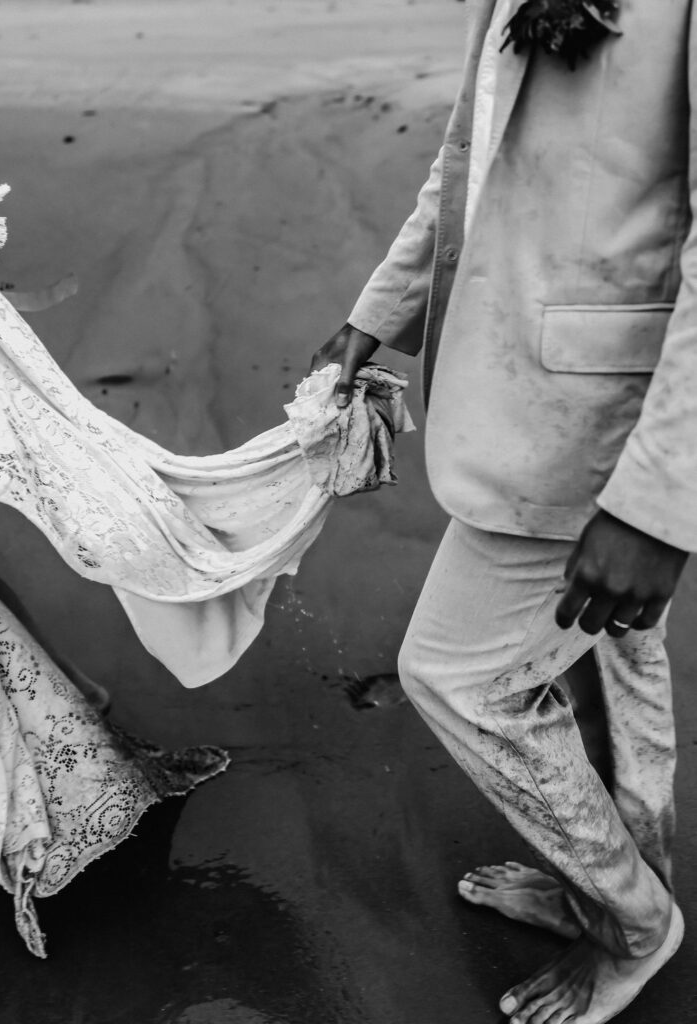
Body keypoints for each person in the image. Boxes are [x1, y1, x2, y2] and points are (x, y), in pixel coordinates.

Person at [311, 1, 693, 1021]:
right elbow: (464, 155)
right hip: (525, 391)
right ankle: (610, 882)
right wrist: (375, 312)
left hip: (615, 412)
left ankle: (633, 921)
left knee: (457, 674)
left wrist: (660, 504)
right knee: (607, 654)